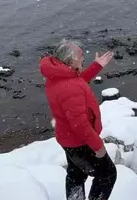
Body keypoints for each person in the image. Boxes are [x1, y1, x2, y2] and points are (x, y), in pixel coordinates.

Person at [40, 39, 116, 200]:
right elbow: (80, 125)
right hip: (81, 142)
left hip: (68, 139)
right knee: (107, 175)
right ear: (70, 60)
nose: (83, 58)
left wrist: (97, 66)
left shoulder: (58, 75)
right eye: (80, 56)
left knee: (76, 175)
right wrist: (98, 146)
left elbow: (76, 79)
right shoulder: (69, 88)